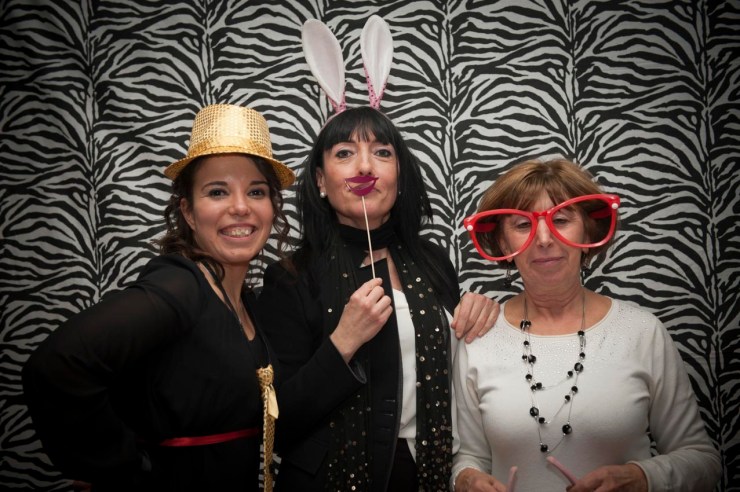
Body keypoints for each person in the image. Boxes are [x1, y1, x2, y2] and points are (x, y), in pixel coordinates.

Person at [22, 103, 295, 491]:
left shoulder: (245, 299)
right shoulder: (180, 286)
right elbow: (56, 366)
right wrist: (126, 470)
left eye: (256, 191)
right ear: (188, 211)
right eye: (217, 191)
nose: (240, 207)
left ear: (272, 207)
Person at [258, 106, 499, 492]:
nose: (365, 166)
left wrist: (483, 316)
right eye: (344, 152)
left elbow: (460, 376)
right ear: (320, 180)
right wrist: (344, 341)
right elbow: (277, 426)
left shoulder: (433, 261)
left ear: (399, 176)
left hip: (430, 476)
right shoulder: (290, 278)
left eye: (382, 152)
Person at [452, 158, 721, 491]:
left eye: (561, 220)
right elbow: (469, 457)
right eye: (522, 225)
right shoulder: (479, 337)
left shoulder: (641, 332)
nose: (544, 238)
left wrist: (642, 477)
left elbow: (703, 460)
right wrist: (466, 479)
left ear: (588, 230)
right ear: (504, 244)